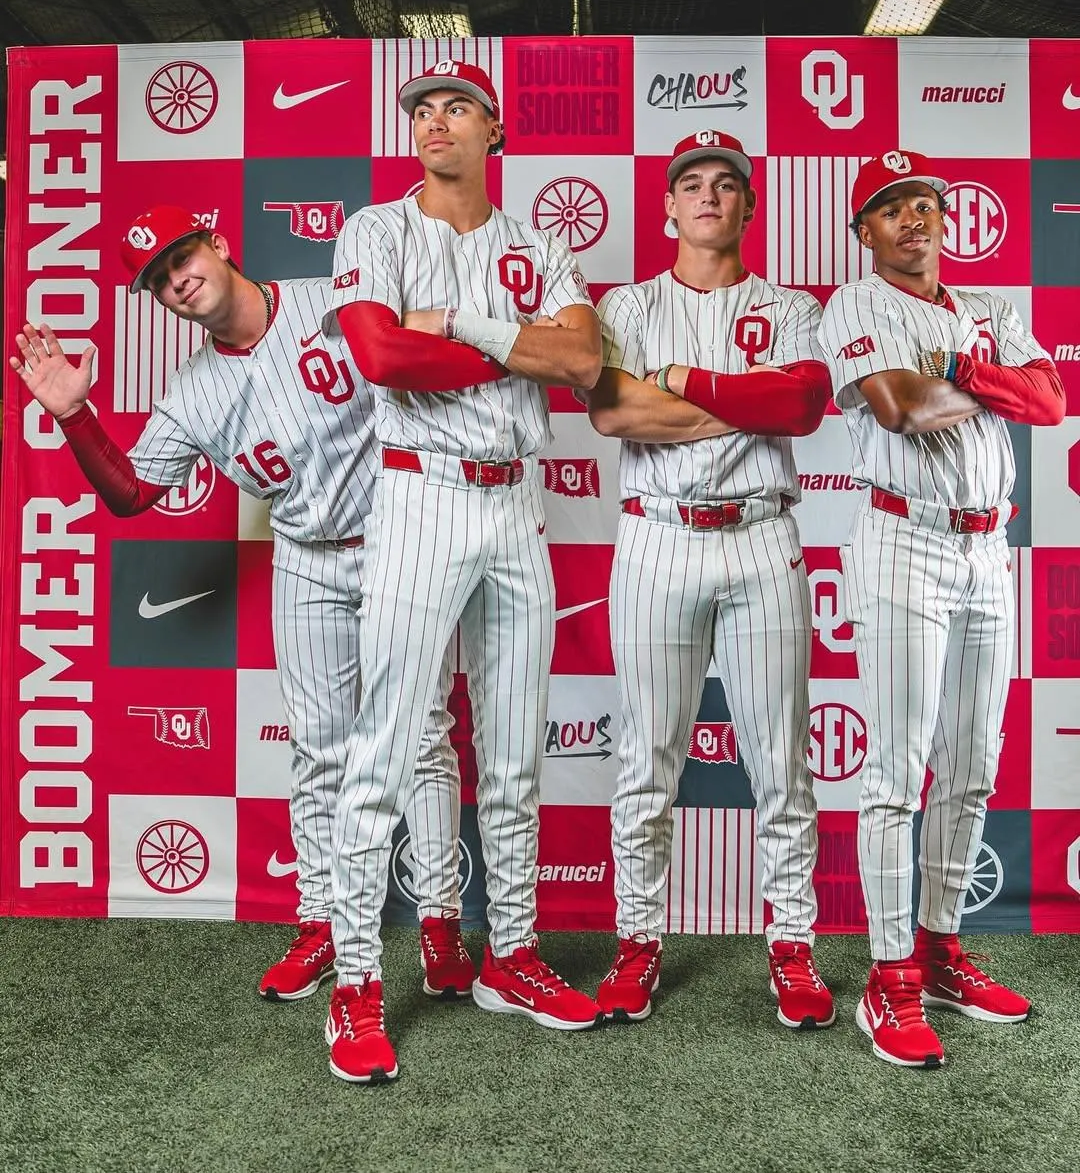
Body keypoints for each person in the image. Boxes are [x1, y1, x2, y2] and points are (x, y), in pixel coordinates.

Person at [9, 205, 473, 1005]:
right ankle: (322, 922)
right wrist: (74, 414)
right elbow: (130, 493)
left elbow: (431, 358)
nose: (177, 281)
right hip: (304, 560)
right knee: (319, 750)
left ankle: (440, 922)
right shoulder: (193, 393)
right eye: (159, 280)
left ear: (218, 245)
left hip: (401, 544)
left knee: (423, 734)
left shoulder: (333, 299)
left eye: (182, 257)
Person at [322, 59, 603, 1084]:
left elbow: (583, 363)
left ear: (496, 130)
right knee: (386, 747)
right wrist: (519, 350)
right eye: (423, 110)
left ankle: (511, 955)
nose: (435, 122)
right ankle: (357, 980)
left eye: (457, 108)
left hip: (516, 503)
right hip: (421, 496)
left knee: (517, 751)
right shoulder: (376, 230)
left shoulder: (540, 243)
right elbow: (383, 358)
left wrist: (466, 330)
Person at [818, 150, 1065, 1068]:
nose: (914, 218)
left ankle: (940, 950)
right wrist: (994, 383)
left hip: (987, 547)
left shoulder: (990, 309)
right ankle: (889, 978)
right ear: (865, 231)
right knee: (897, 768)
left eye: (925, 202)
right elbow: (899, 406)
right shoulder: (855, 304)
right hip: (905, 540)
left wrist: (966, 369)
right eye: (892, 208)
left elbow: (1053, 400)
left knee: (973, 764)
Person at [583, 130, 834, 1031]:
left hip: (762, 538)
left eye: (727, 184)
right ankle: (637, 941)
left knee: (781, 762)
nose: (708, 195)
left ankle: (793, 944)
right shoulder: (627, 304)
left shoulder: (792, 306)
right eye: (691, 183)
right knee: (647, 758)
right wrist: (742, 398)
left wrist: (683, 388)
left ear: (749, 206)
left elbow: (800, 405)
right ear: (667, 207)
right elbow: (613, 412)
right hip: (659, 538)